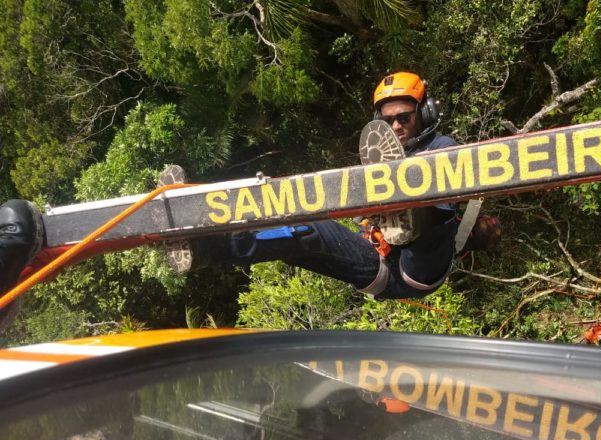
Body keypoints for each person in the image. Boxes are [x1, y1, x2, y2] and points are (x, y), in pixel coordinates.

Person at [0, 72, 498, 324]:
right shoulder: (383, 157)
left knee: (435, 186)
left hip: (419, 269)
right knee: (301, 231)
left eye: (403, 117)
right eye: (387, 119)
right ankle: (207, 244)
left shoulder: (445, 148)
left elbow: (469, 220)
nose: (395, 125)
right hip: (381, 261)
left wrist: (471, 230)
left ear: (424, 112)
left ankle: (411, 210)